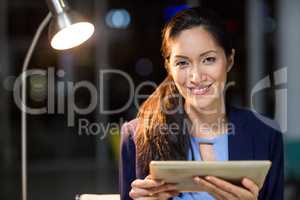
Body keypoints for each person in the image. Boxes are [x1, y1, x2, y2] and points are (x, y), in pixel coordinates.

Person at [119, 7, 284, 200]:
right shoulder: (137, 136)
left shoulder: (265, 134)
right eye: (182, 63)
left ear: (229, 60)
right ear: (169, 67)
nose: (196, 77)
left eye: (209, 59)